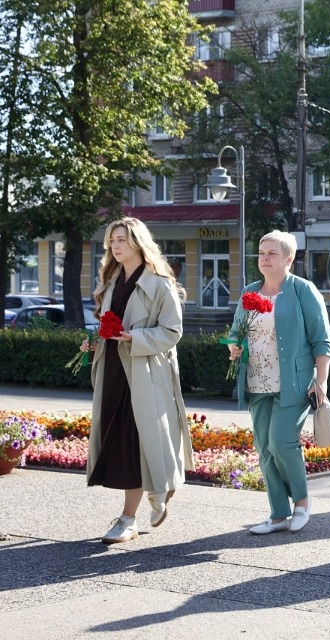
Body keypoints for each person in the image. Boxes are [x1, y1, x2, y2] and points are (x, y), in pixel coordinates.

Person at [84, 217, 193, 544]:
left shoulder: (160, 283)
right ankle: (159, 488)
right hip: (115, 372)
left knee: (136, 439)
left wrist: (137, 337)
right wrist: (95, 342)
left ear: (138, 242)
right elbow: (108, 325)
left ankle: (128, 518)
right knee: (119, 440)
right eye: (112, 242)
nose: (115, 247)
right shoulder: (112, 281)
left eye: (121, 240)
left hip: (145, 374)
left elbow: (173, 331)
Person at [225, 230, 330, 535]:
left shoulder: (303, 291)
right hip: (255, 382)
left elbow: (322, 341)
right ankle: (277, 515)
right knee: (264, 449)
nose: (264, 258)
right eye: (261, 253)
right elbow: (235, 332)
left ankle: (301, 502)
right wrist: (233, 346)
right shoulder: (250, 292)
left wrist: (321, 382)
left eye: (272, 253)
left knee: (281, 442)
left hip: (295, 383)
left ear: (289, 259)